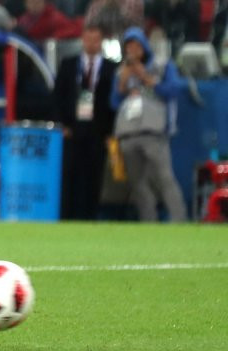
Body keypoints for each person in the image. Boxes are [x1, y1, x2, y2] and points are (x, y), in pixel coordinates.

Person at [111, 27, 187, 222]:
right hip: (128, 134)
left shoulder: (161, 65)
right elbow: (114, 102)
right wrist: (123, 84)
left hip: (153, 131)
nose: (133, 50)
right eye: (129, 47)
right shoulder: (121, 71)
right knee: (138, 182)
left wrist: (146, 78)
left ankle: (179, 220)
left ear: (144, 46)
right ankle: (148, 221)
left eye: (136, 46)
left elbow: (173, 91)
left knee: (164, 177)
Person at [54, 25, 117, 220]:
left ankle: (90, 217)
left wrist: (110, 133)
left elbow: (113, 103)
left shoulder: (111, 67)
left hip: (98, 131)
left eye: (96, 40)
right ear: (82, 40)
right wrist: (61, 125)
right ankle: (67, 217)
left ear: (101, 42)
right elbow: (58, 97)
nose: (92, 44)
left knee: (94, 176)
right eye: (88, 39)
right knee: (69, 175)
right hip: (72, 130)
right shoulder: (68, 64)